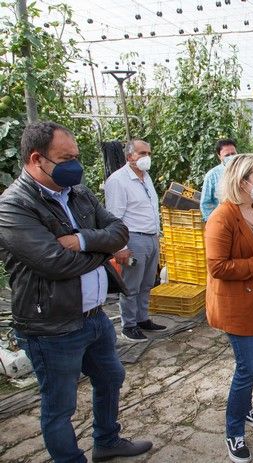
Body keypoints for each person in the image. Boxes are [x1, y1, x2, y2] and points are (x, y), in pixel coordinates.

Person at [0, 121, 152, 462]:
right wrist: (104, 250)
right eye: (66, 158)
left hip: (94, 316)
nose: (75, 165)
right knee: (60, 405)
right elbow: (55, 263)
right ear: (37, 159)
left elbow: (120, 230)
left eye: (77, 156)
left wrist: (82, 240)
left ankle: (107, 441)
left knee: (111, 376)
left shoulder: (79, 193)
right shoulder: (13, 206)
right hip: (52, 326)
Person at [205, 153, 253, 463]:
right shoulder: (222, 217)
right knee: (247, 368)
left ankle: (246, 406)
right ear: (241, 182)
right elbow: (217, 267)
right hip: (238, 305)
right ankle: (234, 431)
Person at [105, 139, 166, 342]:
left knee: (147, 282)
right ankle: (129, 324)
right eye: (141, 153)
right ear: (129, 156)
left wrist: (157, 235)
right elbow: (114, 217)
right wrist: (120, 247)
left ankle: (142, 318)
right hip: (133, 239)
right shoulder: (118, 180)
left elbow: (150, 209)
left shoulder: (146, 177)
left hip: (150, 238)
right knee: (131, 284)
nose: (146, 157)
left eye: (148, 153)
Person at [201, 138, 238, 221]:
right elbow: (205, 203)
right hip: (223, 221)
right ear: (219, 156)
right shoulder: (212, 175)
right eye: (227, 155)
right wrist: (213, 222)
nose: (231, 157)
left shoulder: (244, 171)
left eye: (233, 153)